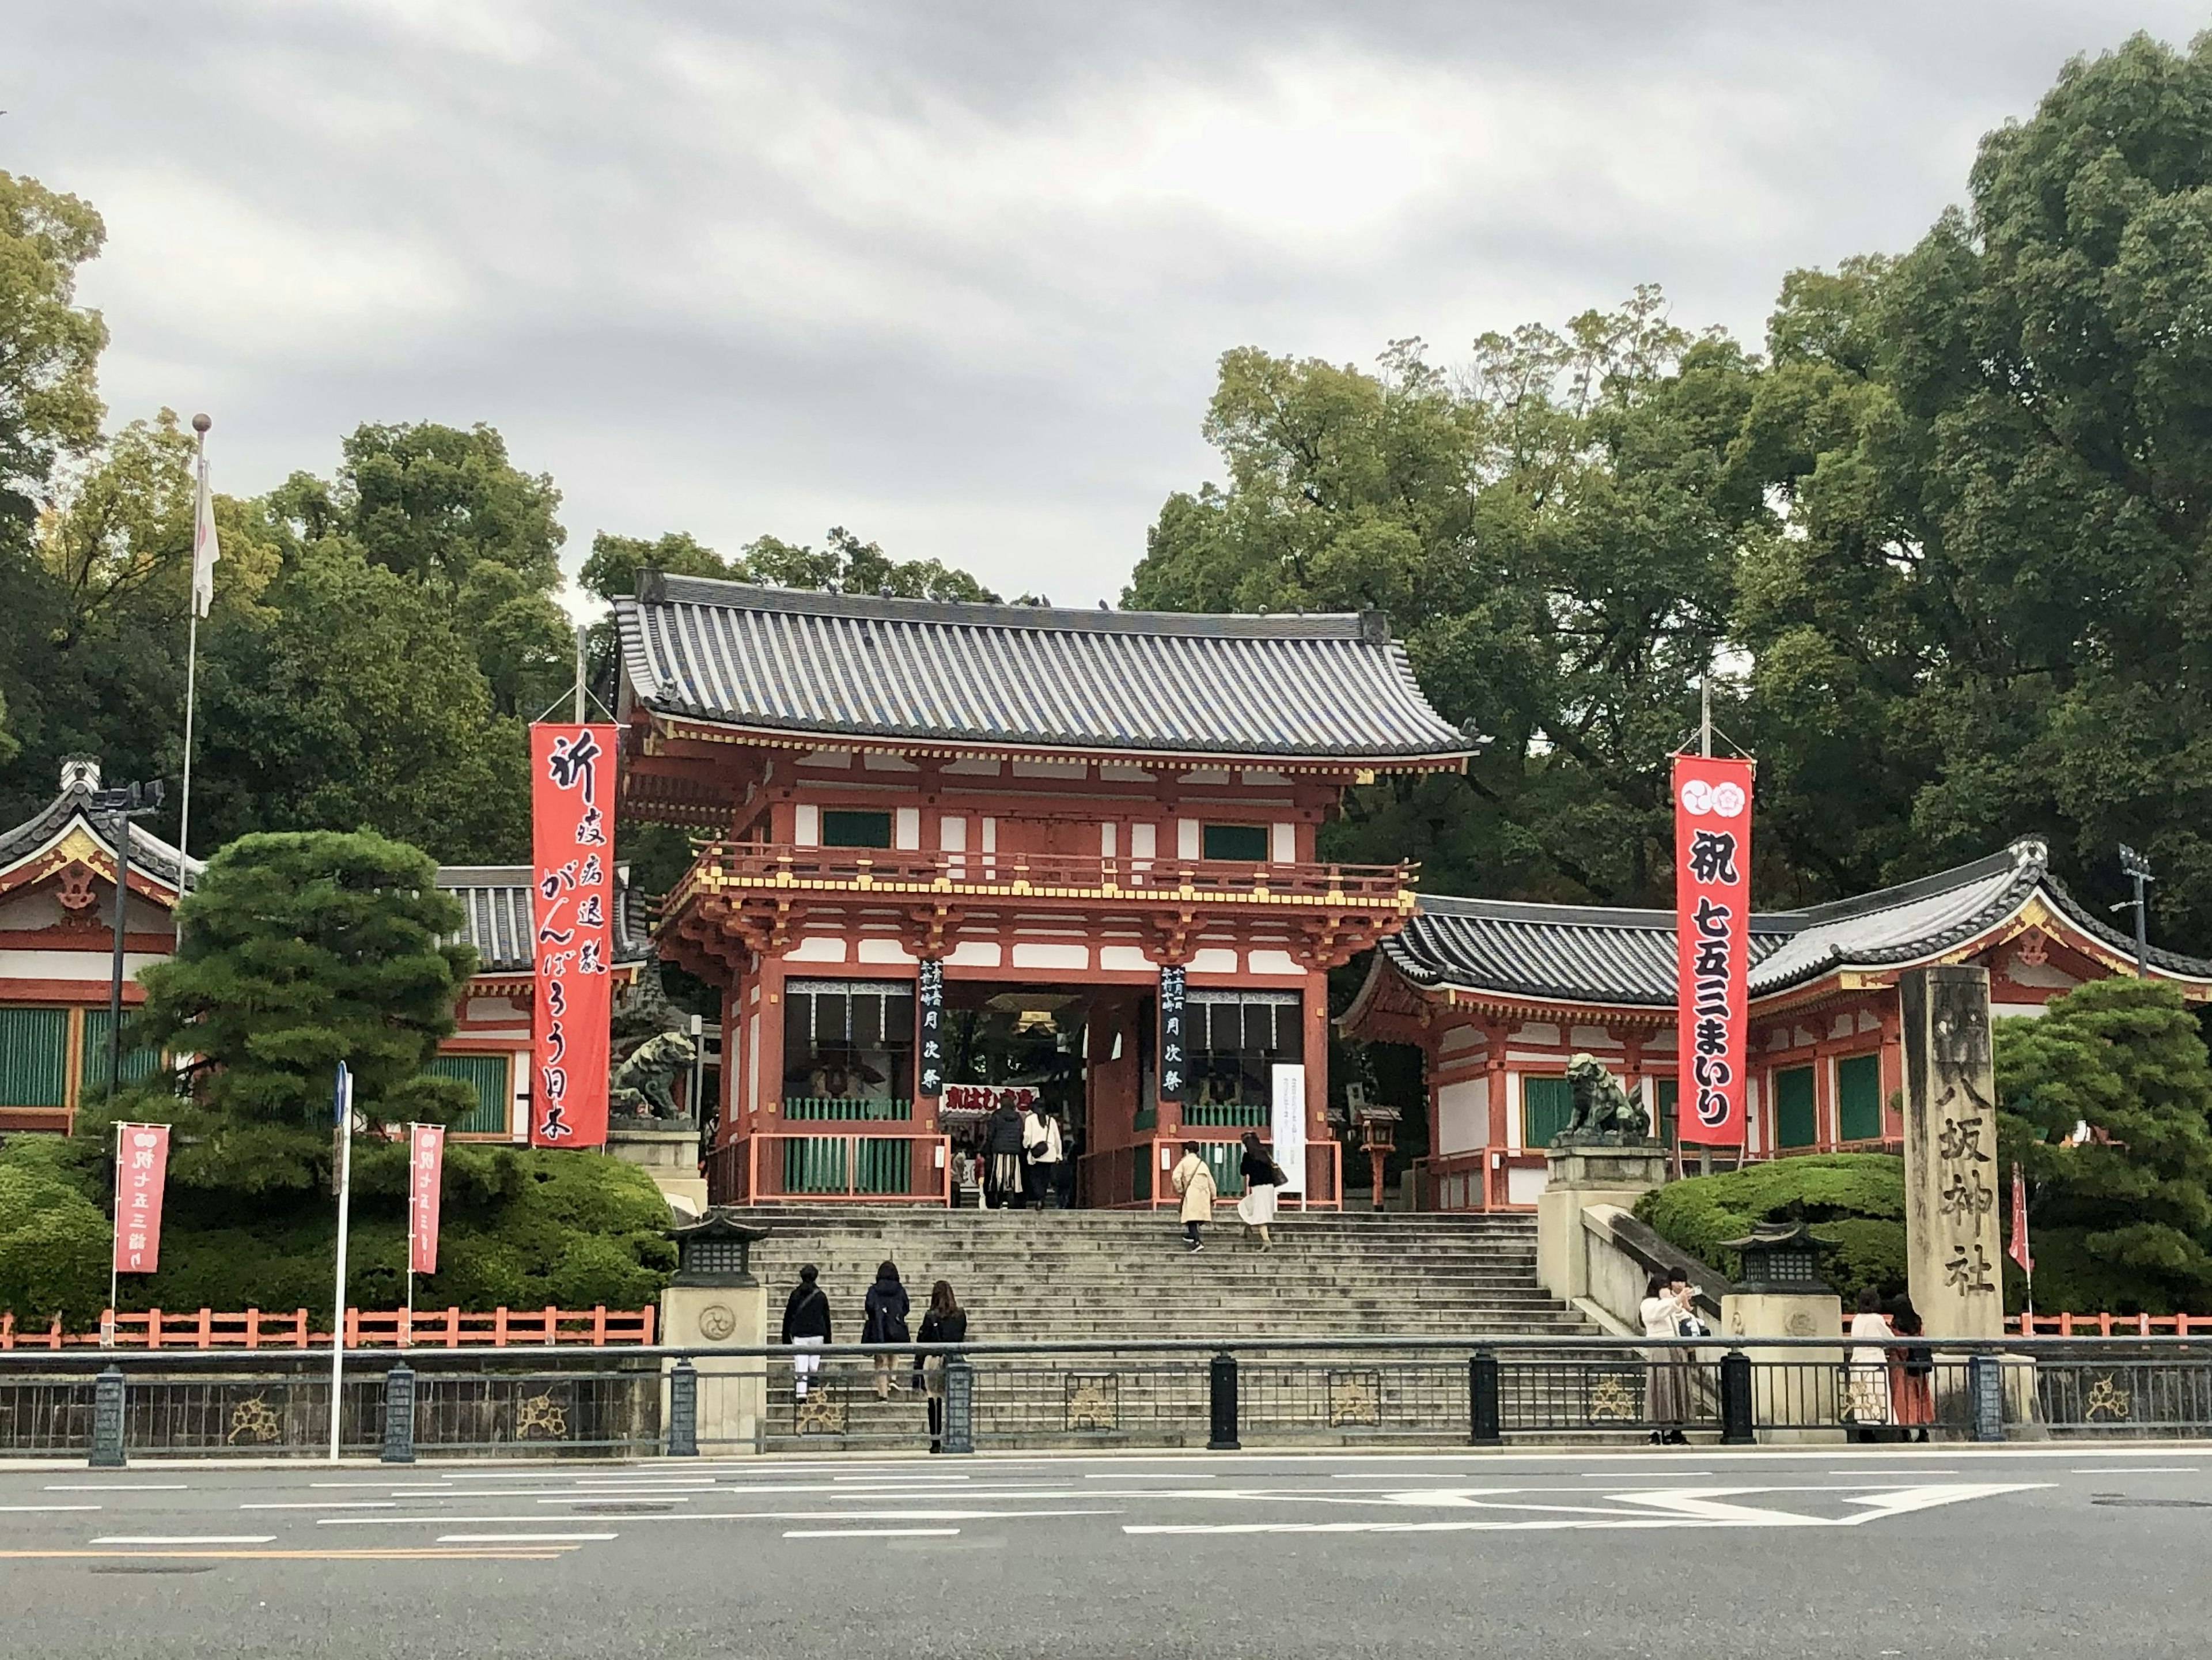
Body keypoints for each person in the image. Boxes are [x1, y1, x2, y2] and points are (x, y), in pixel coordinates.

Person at [915, 1279, 968, 1453]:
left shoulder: (931, 1316)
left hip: (934, 1360)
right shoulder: (960, 1315)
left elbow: (923, 1342)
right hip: (954, 1360)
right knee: (955, 1400)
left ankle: (936, 1441)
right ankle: (955, 1436)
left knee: (934, 1399)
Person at [1639, 1271, 1691, 1444]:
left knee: (1674, 1389)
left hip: (1674, 1348)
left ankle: (1672, 1429)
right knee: (1660, 1388)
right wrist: (1676, 1300)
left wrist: (1685, 1304)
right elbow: (1657, 1312)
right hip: (1659, 1349)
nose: (1668, 1291)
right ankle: (1655, 1430)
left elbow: (1685, 1317)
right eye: (1665, 1288)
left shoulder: (1670, 1304)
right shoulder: (1649, 1304)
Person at [1846, 1285, 1896, 1438]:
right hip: (1875, 1360)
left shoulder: (1857, 1320)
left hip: (1858, 1359)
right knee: (1877, 1393)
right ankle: (1879, 1426)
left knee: (1861, 1395)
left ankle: (1864, 1428)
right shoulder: (1877, 1319)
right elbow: (1890, 1339)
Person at [779, 1264, 832, 1400]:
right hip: (818, 1333)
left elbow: (788, 1316)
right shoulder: (820, 1296)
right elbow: (826, 1318)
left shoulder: (795, 1295)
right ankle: (814, 1383)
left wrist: (786, 1337)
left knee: (801, 1364)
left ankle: (801, 1393)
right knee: (814, 1362)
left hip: (800, 1334)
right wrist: (828, 1338)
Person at [861, 1260, 911, 1400]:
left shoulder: (874, 1290)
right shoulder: (900, 1290)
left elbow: (869, 1306)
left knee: (881, 1361)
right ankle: (893, 1378)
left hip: (878, 1329)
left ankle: (883, 1394)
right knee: (895, 1352)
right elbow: (906, 1307)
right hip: (895, 1327)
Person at [1888, 1299, 1935, 1442]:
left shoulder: (1896, 1325)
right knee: (1921, 1397)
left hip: (1901, 1368)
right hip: (1918, 1365)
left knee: (1903, 1400)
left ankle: (1905, 1432)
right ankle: (1923, 1431)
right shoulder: (1917, 1322)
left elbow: (1898, 1345)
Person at [1235, 1130, 1287, 1249]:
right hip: (1269, 1187)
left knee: (1259, 1213)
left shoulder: (1249, 1156)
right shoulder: (1264, 1153)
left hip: (1258, 1187)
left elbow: (1243, 1171)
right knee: (1250, 1206)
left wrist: (1245, 1158)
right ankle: (1247, 1229)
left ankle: (1266, 1241)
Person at [1170, 1140, 1216, 1252]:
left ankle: (1197, 1242)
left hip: (1192, 1194)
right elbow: (1211, 1182)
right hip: (1203, 1194)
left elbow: (1175, 1177)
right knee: (1195, 1217)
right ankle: (1191, 1236)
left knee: (1191, 1218)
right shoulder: (1203, 1164)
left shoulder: (1184, 1162)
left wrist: (1181, 1189)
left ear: (1186, 1151)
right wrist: (1214, 1197)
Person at [984, 1098, 1025, 1209]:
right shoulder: (1018, 1117)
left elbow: (990, 1134)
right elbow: (1021, 1133)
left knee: (998, 1177)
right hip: (1015, 1151)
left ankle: (999, 1199)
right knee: (1013, 1177)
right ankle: (1011, 1199)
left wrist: (987, 1150)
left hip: (999, 1150)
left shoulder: (996, 1116)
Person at [1022, 1103, 1062, 1209]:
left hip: (1037, 1153)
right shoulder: (1051, 1120)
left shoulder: (1030, 1119)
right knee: (1045, 1178)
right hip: (1050, 1152)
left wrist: (1026, 1145)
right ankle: (1042, 1198)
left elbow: (1027, 1136)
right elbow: (1057, 1138)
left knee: (1035, 1178)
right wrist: (1059, 1154)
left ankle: (1040, 1197)